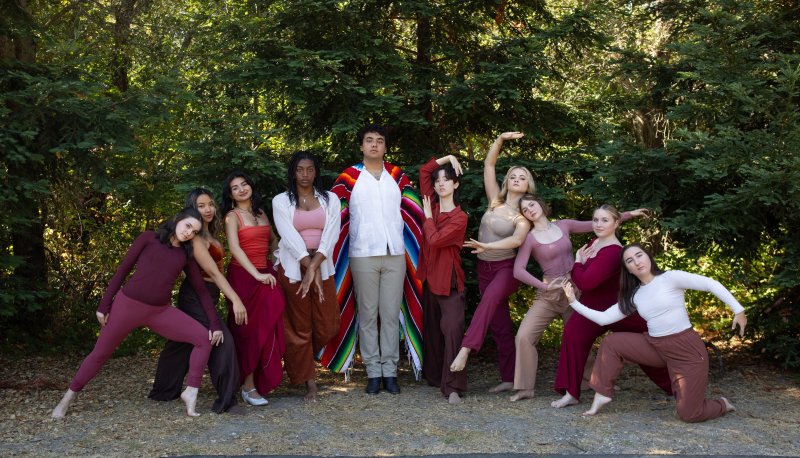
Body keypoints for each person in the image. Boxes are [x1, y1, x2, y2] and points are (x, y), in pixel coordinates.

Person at [52, 208, 223, 418]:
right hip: (128, 306)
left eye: (195, 231)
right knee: (99, 354)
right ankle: (68, 398)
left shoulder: (185, 255)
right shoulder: (148, 238)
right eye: (188, 226)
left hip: (160, 311)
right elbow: (122, 270)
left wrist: (214, 324)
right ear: (177, 219)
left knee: (203, 339)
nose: (189, 233)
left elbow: (201, 291)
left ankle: (191, 392)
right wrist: (104, 305)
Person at [562, 244, 747, 422]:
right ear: (628, 270)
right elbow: (603, 318)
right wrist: (573, 302)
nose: (636, 262)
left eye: (639, 255)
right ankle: (602, 393)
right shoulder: (634, 296)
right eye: (629, 261)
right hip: (656, 347)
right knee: (612, 343)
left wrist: (738, 310)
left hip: (687, 352)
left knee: (689, 414)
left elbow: (710, 284)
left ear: (648, 257)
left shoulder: (671, 278)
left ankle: (722, 404)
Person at [508, 198, 658, 402]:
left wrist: (631, 213)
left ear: (542, 205)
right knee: (525, 336)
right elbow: (518, 270)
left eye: (532, 205)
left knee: (577, 334)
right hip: (550, 292)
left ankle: (590, 381)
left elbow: (601, 222)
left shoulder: (565, 225)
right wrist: (544, 286)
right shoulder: (530, 238)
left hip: (575, 289)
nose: (529, 210)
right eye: (524, 209)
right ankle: (526, 387)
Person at [319, 124, 423, 395]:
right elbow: (335, 217)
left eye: (379, 141)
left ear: (385, 147)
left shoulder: (397, 176)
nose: (375, 145)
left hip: (395, 254)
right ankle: (373, 373)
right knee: (367, 314)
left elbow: (413, 212)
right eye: (369, 140)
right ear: (362, 146)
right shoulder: (349, 178)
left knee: (389, 313)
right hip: (362, 253)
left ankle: (390, 371)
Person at [550, 205, 672, 407]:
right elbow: (588, 282)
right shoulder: (594, 241)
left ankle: (676, 385)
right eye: (596, 220)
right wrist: (582, 266)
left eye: (604, 220)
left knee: (648, 343)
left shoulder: (614, 252)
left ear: (616, 223)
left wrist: (578, 263)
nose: (598, 224)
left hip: (619, 308)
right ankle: (571, 392)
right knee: (573, 334)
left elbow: (586, 281)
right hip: (592, 305)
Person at [148, 188, 247, 414]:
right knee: (222, 340)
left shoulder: (210, 234)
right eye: (201, 206)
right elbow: (212, 272)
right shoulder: (195, 239)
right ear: (192, 208)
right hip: (196, 295)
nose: (208, 209)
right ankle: (227, 400)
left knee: (184, 340)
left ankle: (164, 389)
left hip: (207, 294)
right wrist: (236, 299)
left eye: (210, 204)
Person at [450, 132, 534, 393]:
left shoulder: (525, 213)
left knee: (487, 302)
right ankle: (509, 378)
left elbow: (517, 241)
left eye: (523, 177)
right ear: (507, 181)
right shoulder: (494, 200)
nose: (516, 179)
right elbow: (489, 165)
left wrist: (487, 246)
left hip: (506, 270)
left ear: (528, 185)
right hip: (484, 269)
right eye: (513, 176)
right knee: (500, 326)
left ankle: (465, 350)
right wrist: (499, 139)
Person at [272, 151, 341, 402]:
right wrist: (306, 266)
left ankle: (299, 361)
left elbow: (332, 232)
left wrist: (314, 267)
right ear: (293, 172)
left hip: (321, 265)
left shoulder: (330, 199)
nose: (304, 174)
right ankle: (308, 382)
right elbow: (288, 236)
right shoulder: (281, 201)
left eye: (309, 169)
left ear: (316, 172)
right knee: (299, 327)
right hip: (293, 269)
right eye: (300, 169)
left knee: (328, 321)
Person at [222, 171, 286, 406]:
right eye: (235, 187)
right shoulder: (232, 216)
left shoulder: (261, 213)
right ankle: (247, 387)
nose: (241, 189)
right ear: (230, 194)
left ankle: (261, 380)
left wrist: (276, 263)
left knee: (268, 328)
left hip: (265, 274)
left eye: (244, 184)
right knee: (248, 332)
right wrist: (257, 274)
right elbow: (235, 249)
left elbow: (273, 241)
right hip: (244, 277)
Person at [418, 155, 469, 404]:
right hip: (429, 278)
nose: (440, 184)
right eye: (438, 181)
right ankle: (435, 377)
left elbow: (436, 240)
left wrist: (428, 219)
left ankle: (453, 386)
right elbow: (425, 171)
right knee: (432, 329)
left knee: (451, 330)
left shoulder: (460, 217)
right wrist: (448, 158)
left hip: (448, 281)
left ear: (455, 185)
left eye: (447, 180)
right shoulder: (433, 206)